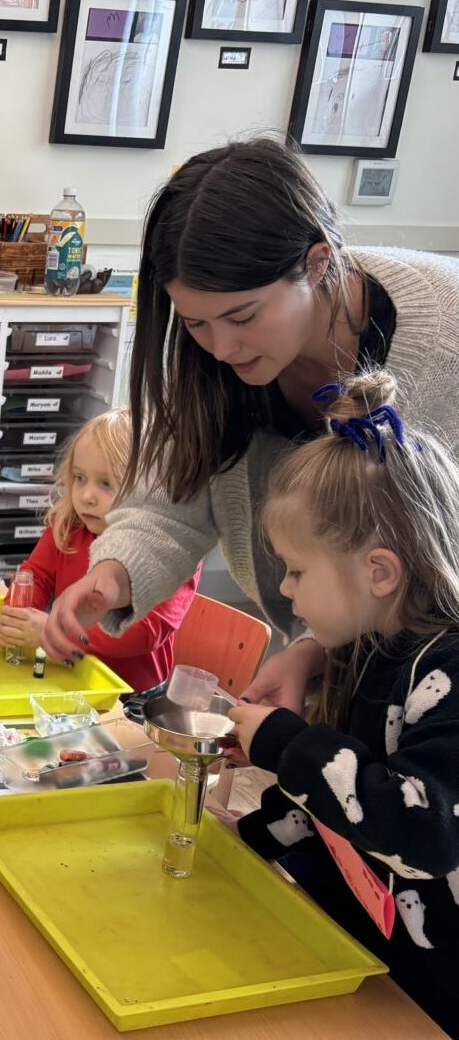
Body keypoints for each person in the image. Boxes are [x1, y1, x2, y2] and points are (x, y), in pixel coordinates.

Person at [40, 138, 459, 715]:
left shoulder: (445, 339)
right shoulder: (212, 355)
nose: (221, 347)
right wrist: (114, 573)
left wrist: (316, 651)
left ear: (317, 264)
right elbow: (177, 494)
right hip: (344, 657)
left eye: (242, 317)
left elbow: (430, 571)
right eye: (196, 324)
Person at [222, 374, 459, 1040]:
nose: (285, 593)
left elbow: (420, 826)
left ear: (379, 572)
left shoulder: (447, 671)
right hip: (402, 974)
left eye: (295, 570)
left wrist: (284, 742)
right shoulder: (379, 647)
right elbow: (339, 812)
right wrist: (245, 846)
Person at [0, 410, 199, 691]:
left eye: (106, 484)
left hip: (131, 696)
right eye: (80, 478)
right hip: (68, 675)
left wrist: (54, 631)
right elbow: (35, 576)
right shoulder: (69, 524)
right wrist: (16, 618)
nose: (86, 496)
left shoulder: (173, 550)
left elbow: (144, 632)